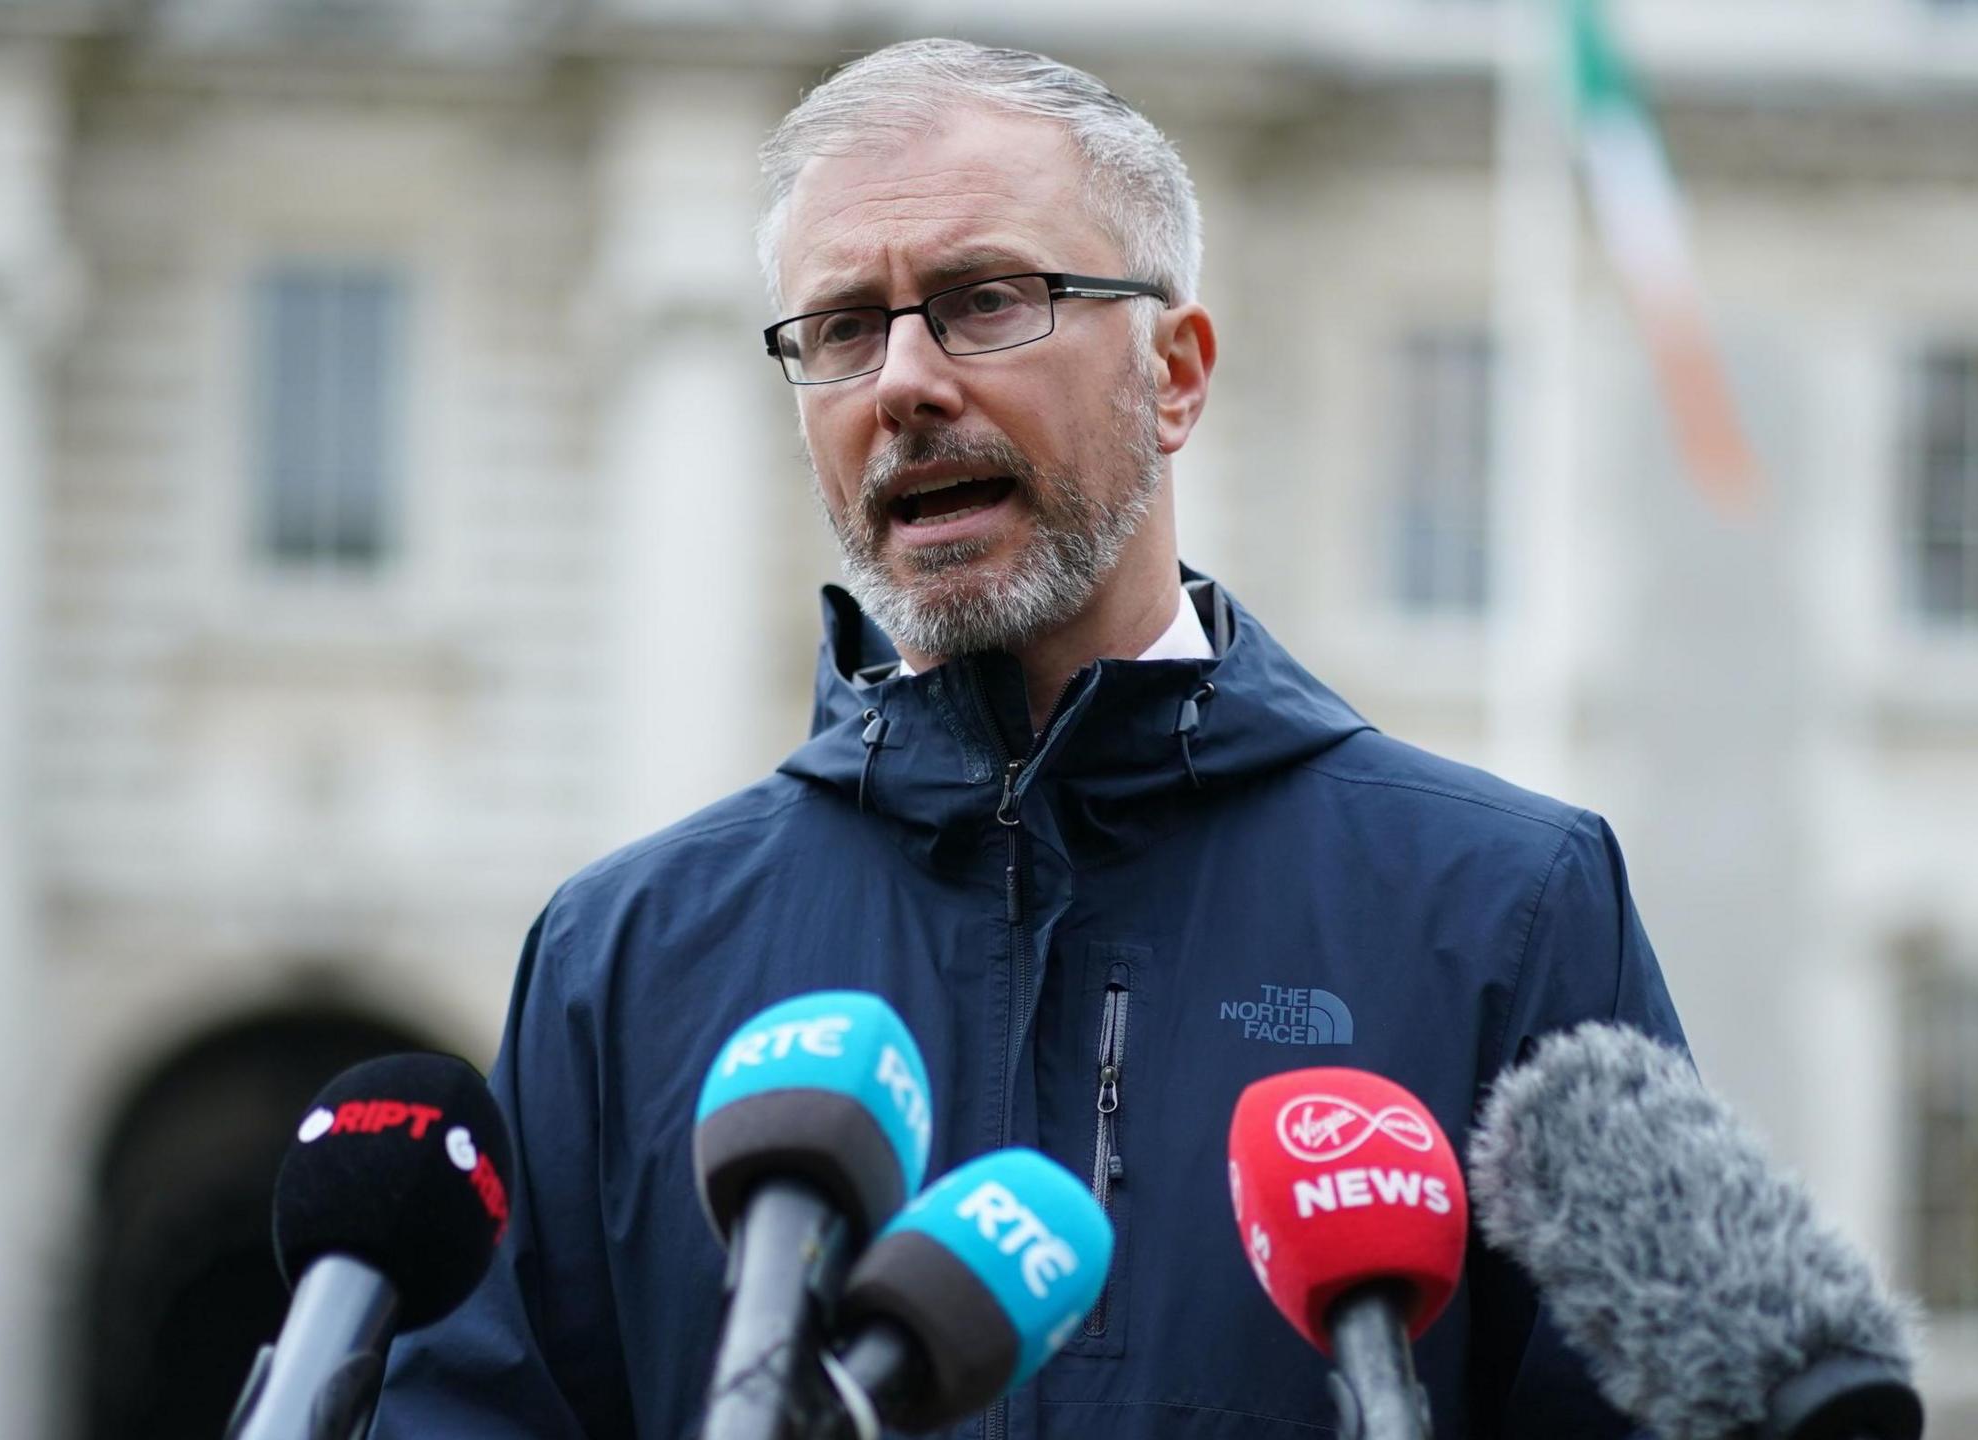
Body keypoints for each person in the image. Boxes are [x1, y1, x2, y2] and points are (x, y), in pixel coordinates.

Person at [374, 37, 1685, 1440]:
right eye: (841, 331)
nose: (904, 383)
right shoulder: (619, 956)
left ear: (1176, 375)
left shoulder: (1510, 905)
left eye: (985, 300)